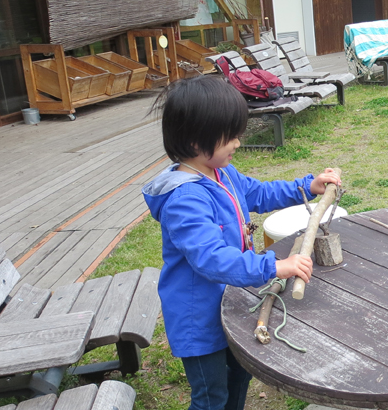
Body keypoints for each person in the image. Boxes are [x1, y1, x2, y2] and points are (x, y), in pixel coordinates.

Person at [142, 75, 341, 410]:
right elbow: (213, 259)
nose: (238, 142)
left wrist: (307, 187)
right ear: (195, 141)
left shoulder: (220, 172)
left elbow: (258, 193)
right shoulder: (184, 200)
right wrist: (275, 266)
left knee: (239, 375)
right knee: (211, 395)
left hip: (230, 303)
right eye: (230, 135)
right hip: (199, 320)